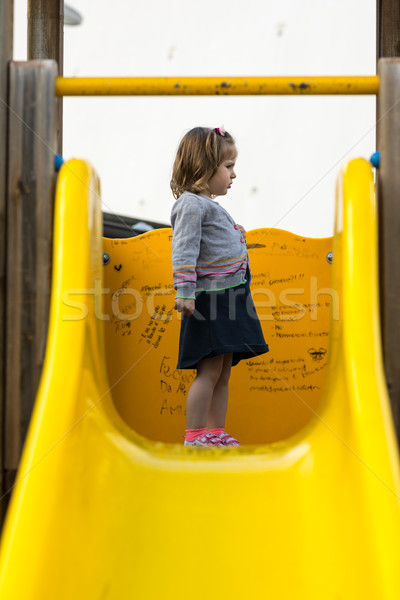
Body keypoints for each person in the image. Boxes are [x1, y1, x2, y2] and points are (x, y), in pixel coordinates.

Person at [170, 126, 269, 447]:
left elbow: (213, 244)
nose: (234, 174)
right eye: (228, 167)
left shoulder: (208, 206)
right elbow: (184, 249)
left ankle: (215, 430)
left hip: (229, 298)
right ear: (203, 167)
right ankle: (195, 434)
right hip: (209, 301)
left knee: (224, 371)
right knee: (209, 371)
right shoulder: (191, 205)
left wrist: (235, 235)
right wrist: (184, 291)